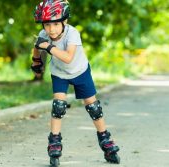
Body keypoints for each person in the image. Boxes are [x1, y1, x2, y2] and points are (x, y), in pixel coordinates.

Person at [31, 0, 120, 166]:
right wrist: (37, 62)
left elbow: (68, 57)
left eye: (56, 24)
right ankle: (54, 143)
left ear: (65, 21)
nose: (51, 29)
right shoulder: (44, 35)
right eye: (47, 25)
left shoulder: (72, 33)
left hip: (80, 71)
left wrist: (48, 48)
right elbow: (37, 46)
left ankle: (105, 140)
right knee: (58, 105)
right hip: (59, 74)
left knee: (93, 107)